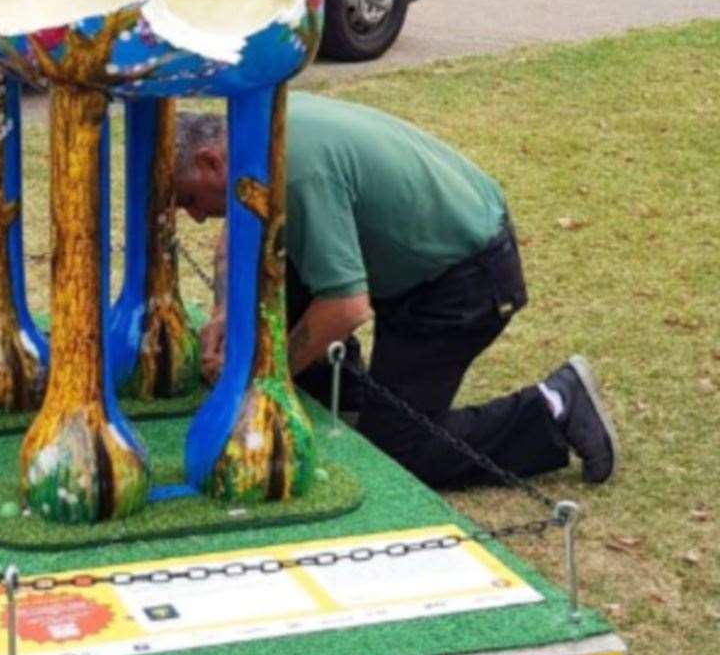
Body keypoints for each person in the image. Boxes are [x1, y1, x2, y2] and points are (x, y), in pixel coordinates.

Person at [174, 93, 618, 490]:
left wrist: (266, 379)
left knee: (399, 450)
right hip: (421, 252)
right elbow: (237, 236)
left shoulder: (296, 171)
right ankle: (342, 394)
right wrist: (224, 313)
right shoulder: (256, 134)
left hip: (465, 278)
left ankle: (555, 407)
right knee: (273, 275)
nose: (193, 218)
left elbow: (346, 308)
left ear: (212, 161)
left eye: (189, 200)